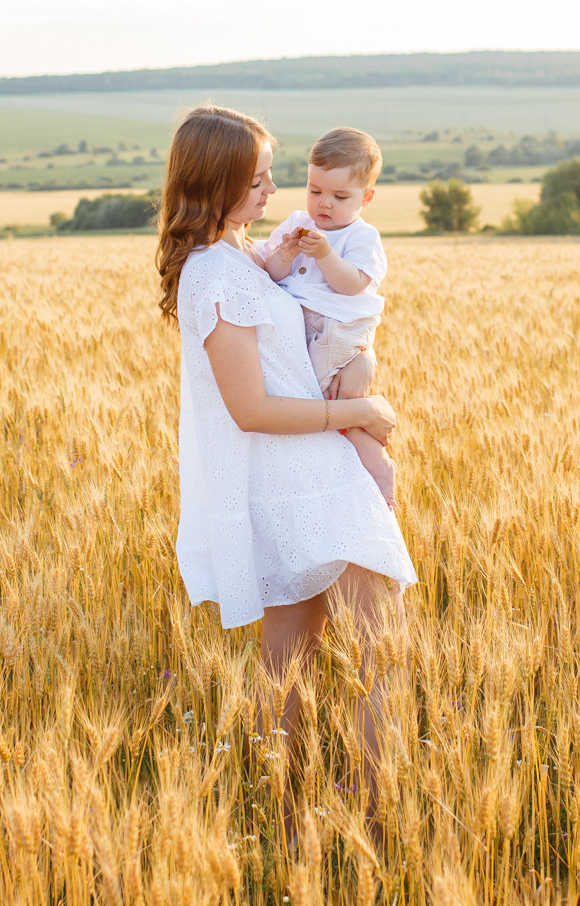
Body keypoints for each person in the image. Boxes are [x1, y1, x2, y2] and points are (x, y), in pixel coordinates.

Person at [155, 104, 418, 822]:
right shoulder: (218, 274)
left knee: (290, 656)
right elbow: (251, 407)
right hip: (306, 476)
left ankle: (281, 804)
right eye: (259, 180)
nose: (273, 193)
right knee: (380, 647)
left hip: (296, 475)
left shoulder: (232, 259)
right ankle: (373, 811)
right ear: (217, 182)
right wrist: (358, 412)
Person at [254, 126, 399, 508]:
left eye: (339, 196)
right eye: (315, 190)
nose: (324, 204)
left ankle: (376, 465)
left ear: (365, 197)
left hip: (337, 327)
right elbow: (273, 272)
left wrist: (324, 255)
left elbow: (352, 285)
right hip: (307, 324)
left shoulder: (362, 238)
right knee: (314, 403)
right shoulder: (297, 222)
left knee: (316, 404)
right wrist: (284, 254)